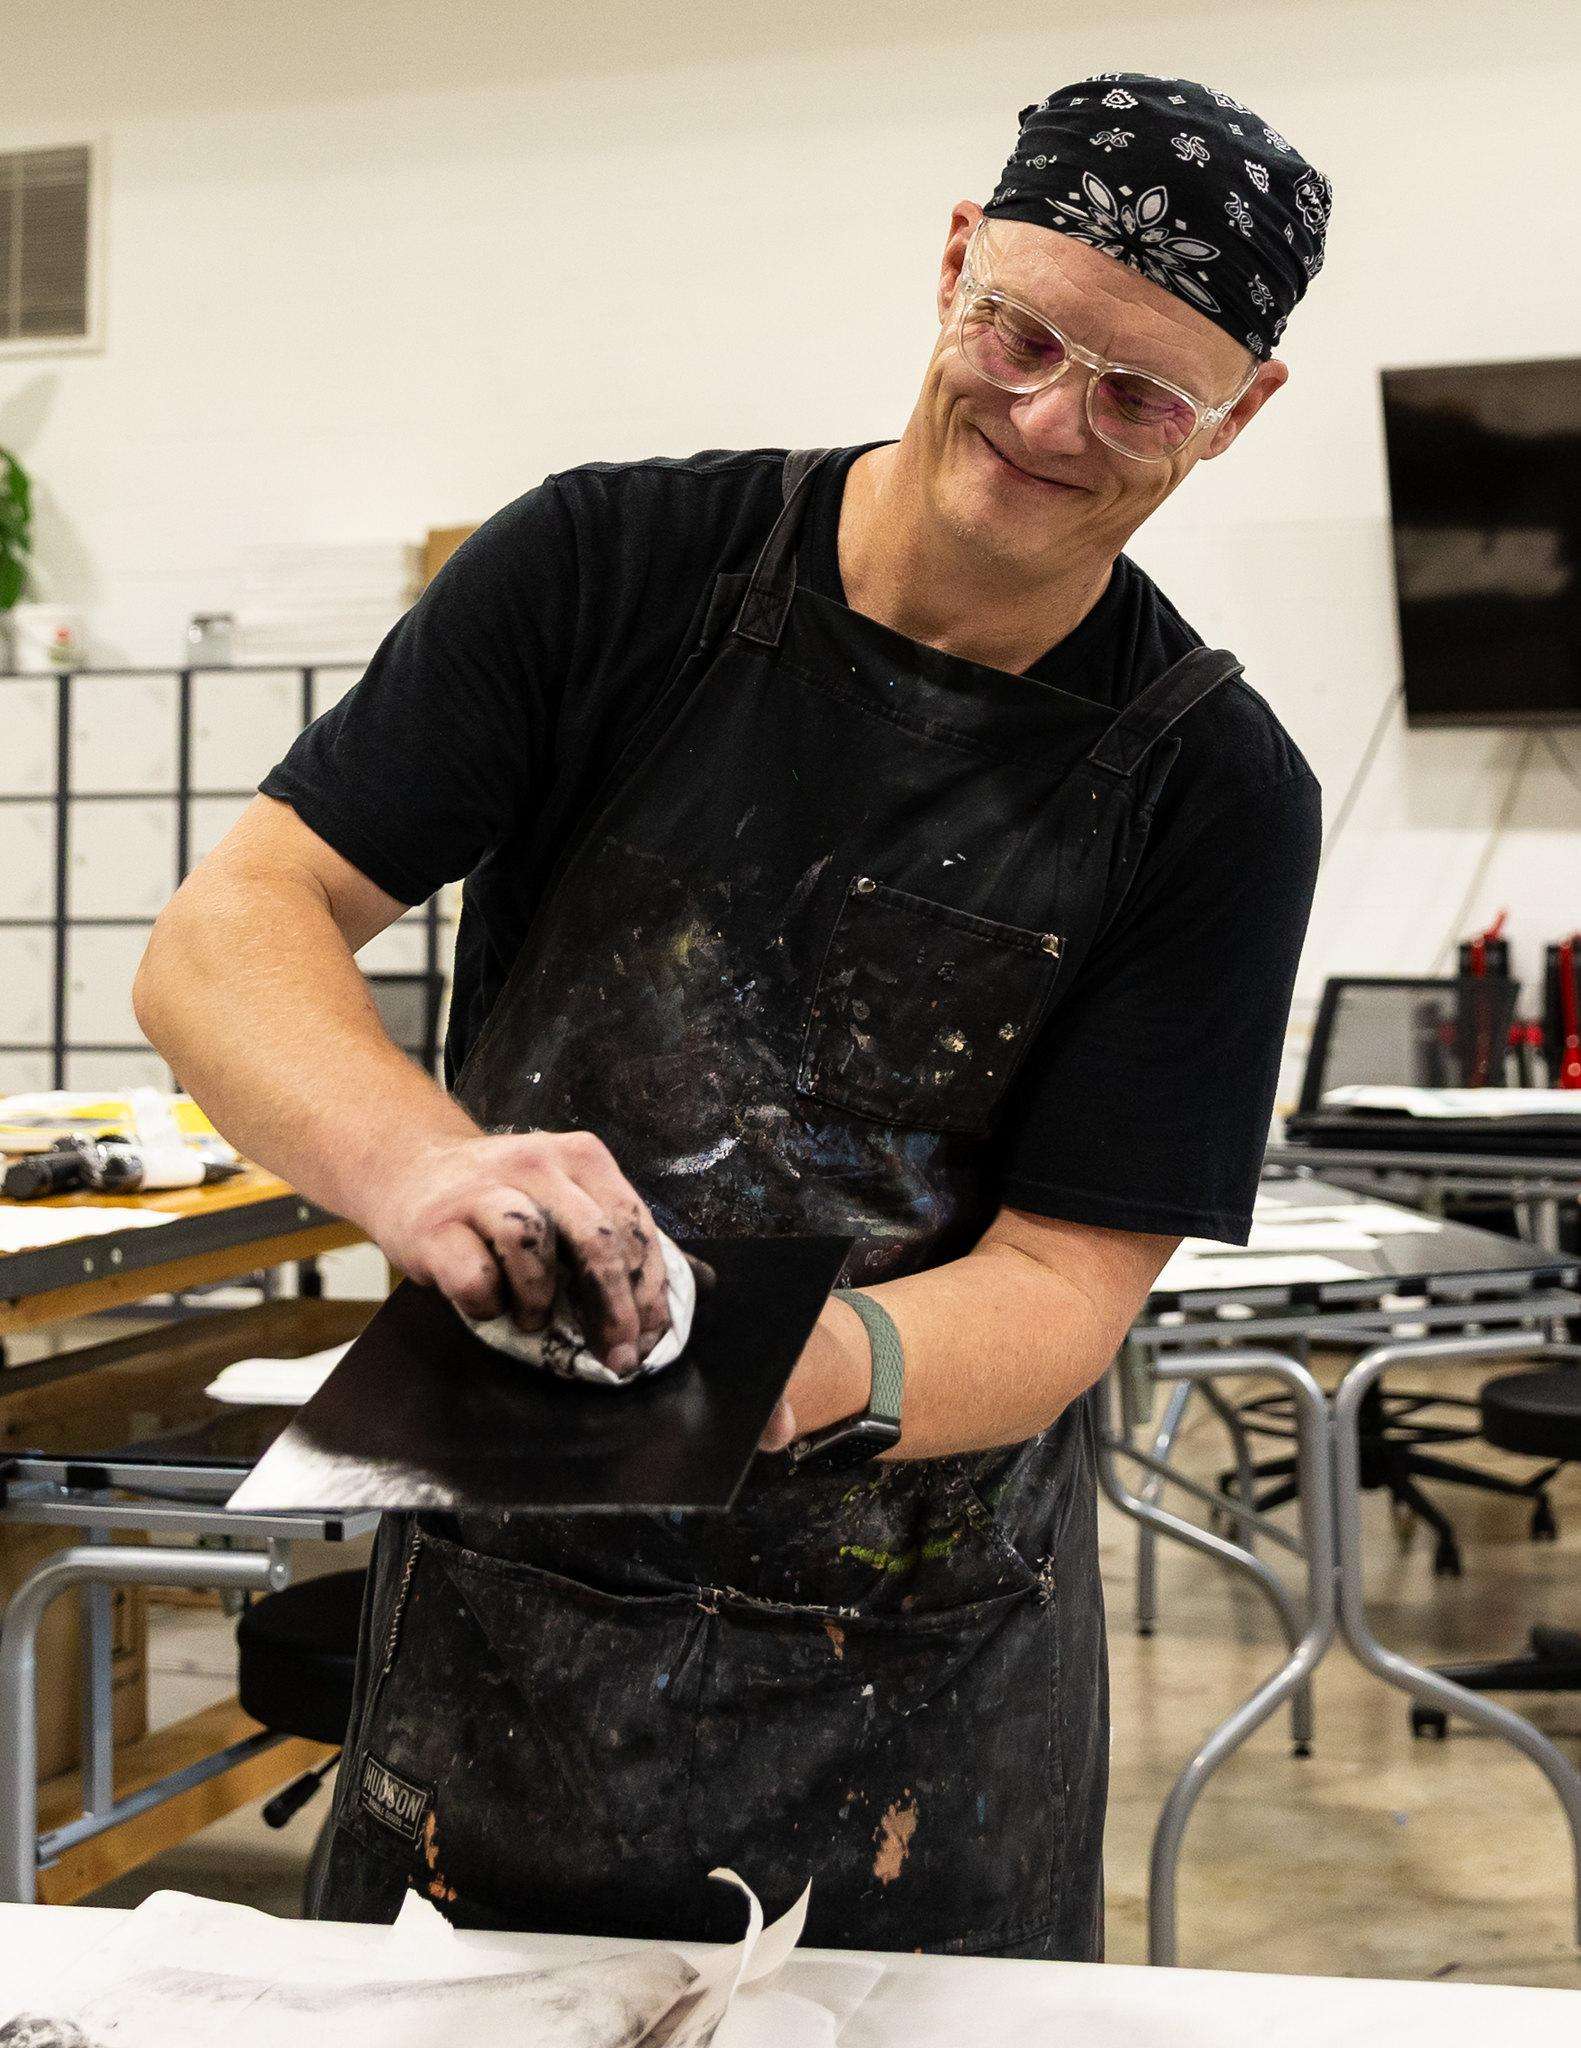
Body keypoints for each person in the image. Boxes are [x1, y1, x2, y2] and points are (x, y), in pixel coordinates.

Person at [134, 72, 1331, 1961]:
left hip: (915, 1679)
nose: (1038, 419)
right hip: (501, 1619)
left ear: (1234, 417)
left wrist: (788, 1362)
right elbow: (228, 933)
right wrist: (428, 1170)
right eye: (1019, 335)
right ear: (954, 260)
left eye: (1135, 396)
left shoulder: (1208, 790)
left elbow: (1064, 1288)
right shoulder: (607, 573)